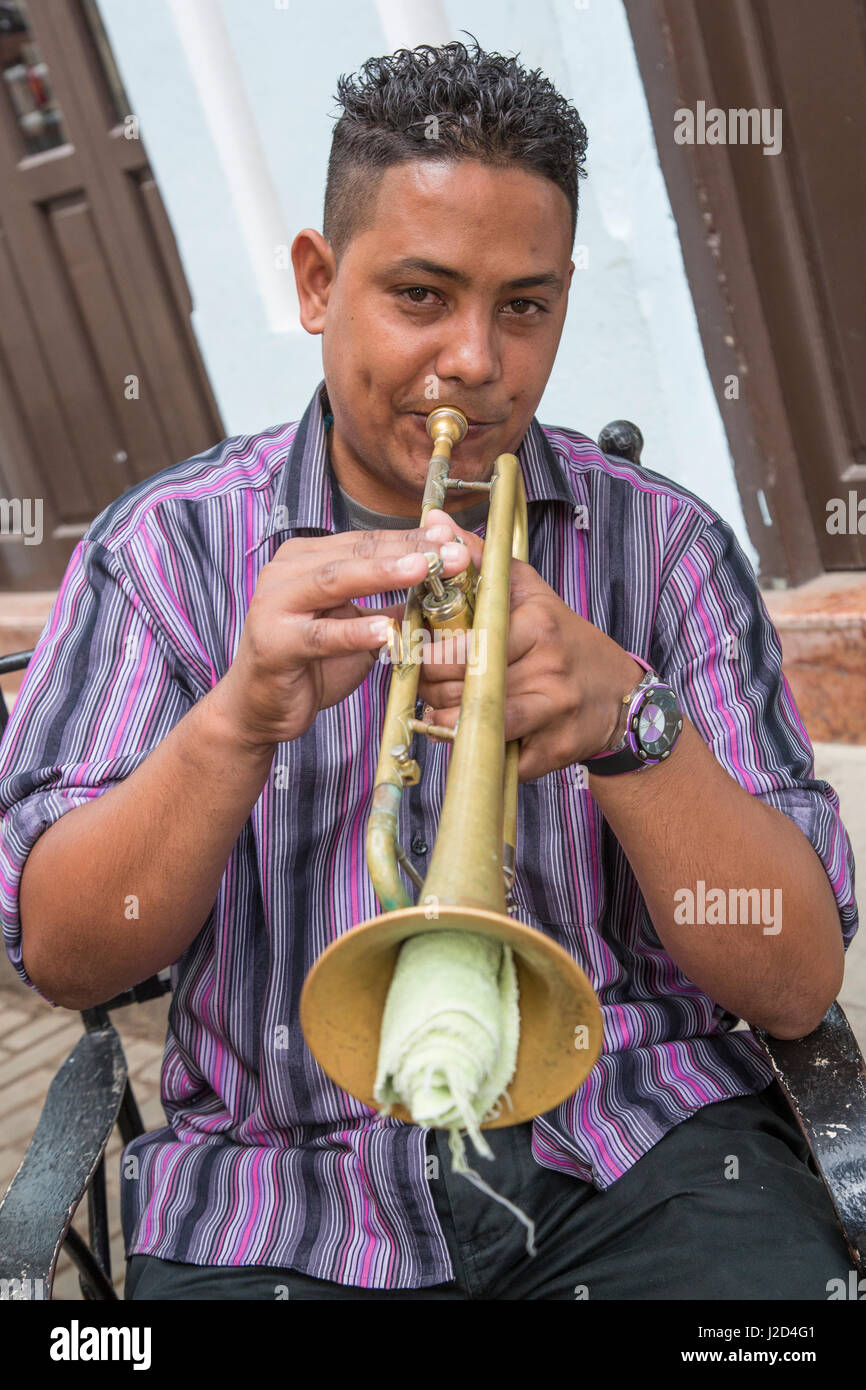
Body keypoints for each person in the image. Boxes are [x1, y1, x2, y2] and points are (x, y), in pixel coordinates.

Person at [0, 38, 857, 1301]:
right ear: (314, 280)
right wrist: (235, 722)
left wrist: (633, 722)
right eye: (418, 294)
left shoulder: (661, 542)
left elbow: (791, 978)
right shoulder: (164, 549)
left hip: (639, 1148)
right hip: (274, 1188)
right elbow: (68, 958)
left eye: (523, 306)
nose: (473, 361)